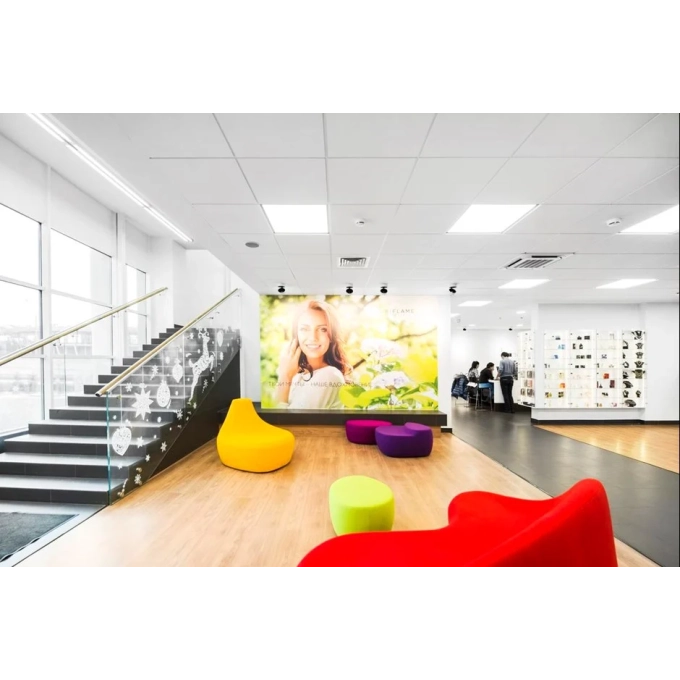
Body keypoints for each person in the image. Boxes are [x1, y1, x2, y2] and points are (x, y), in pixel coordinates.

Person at [275, 299, 352, 409]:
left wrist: (285, 377)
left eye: (322, 329)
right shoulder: (297, 376)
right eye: (304, 329)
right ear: (296, 335)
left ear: (332, 336)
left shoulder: (329, 375)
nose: (313, 337)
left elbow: (284, 418)